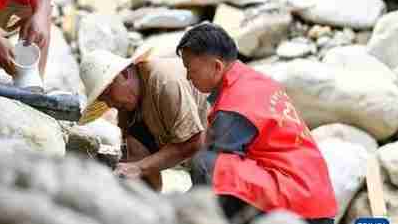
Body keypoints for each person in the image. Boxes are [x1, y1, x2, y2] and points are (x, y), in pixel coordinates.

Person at [176, 23, 337, 224]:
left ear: (217, 66)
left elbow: (216, 171)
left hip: (299, 203)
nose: (188, 77)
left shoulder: (234, 105)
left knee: (207, 163)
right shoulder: (253, 80)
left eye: (191, 70)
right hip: (316, 195)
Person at [78, 47, 207, 191]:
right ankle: (150, 201)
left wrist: (139, 168)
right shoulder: (126, 103)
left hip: (216, 142)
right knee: (134, 152)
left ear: (125, 74)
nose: (110, 104)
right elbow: (131, 154)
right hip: (178, 141)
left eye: (108, 94)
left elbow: (194, 142)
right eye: (103, 99)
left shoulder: (164, 82)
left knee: (203, 172)